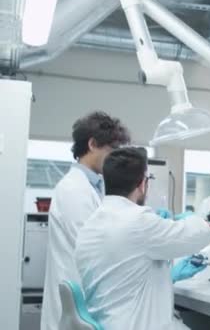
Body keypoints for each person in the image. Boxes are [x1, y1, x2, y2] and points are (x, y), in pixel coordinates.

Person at [75, 147, 210, 330]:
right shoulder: (138, 221)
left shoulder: (91, 224)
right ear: (142, 184)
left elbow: (122, 276)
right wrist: (190, 217)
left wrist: (169, 276)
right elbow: (199, 234)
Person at [41, 111, 130, 330]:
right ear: (92, 144)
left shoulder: (94, 187)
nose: (115, 158)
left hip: (86, 303)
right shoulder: (74, 190)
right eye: (112, 149)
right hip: (76, 306)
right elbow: (95, 248)